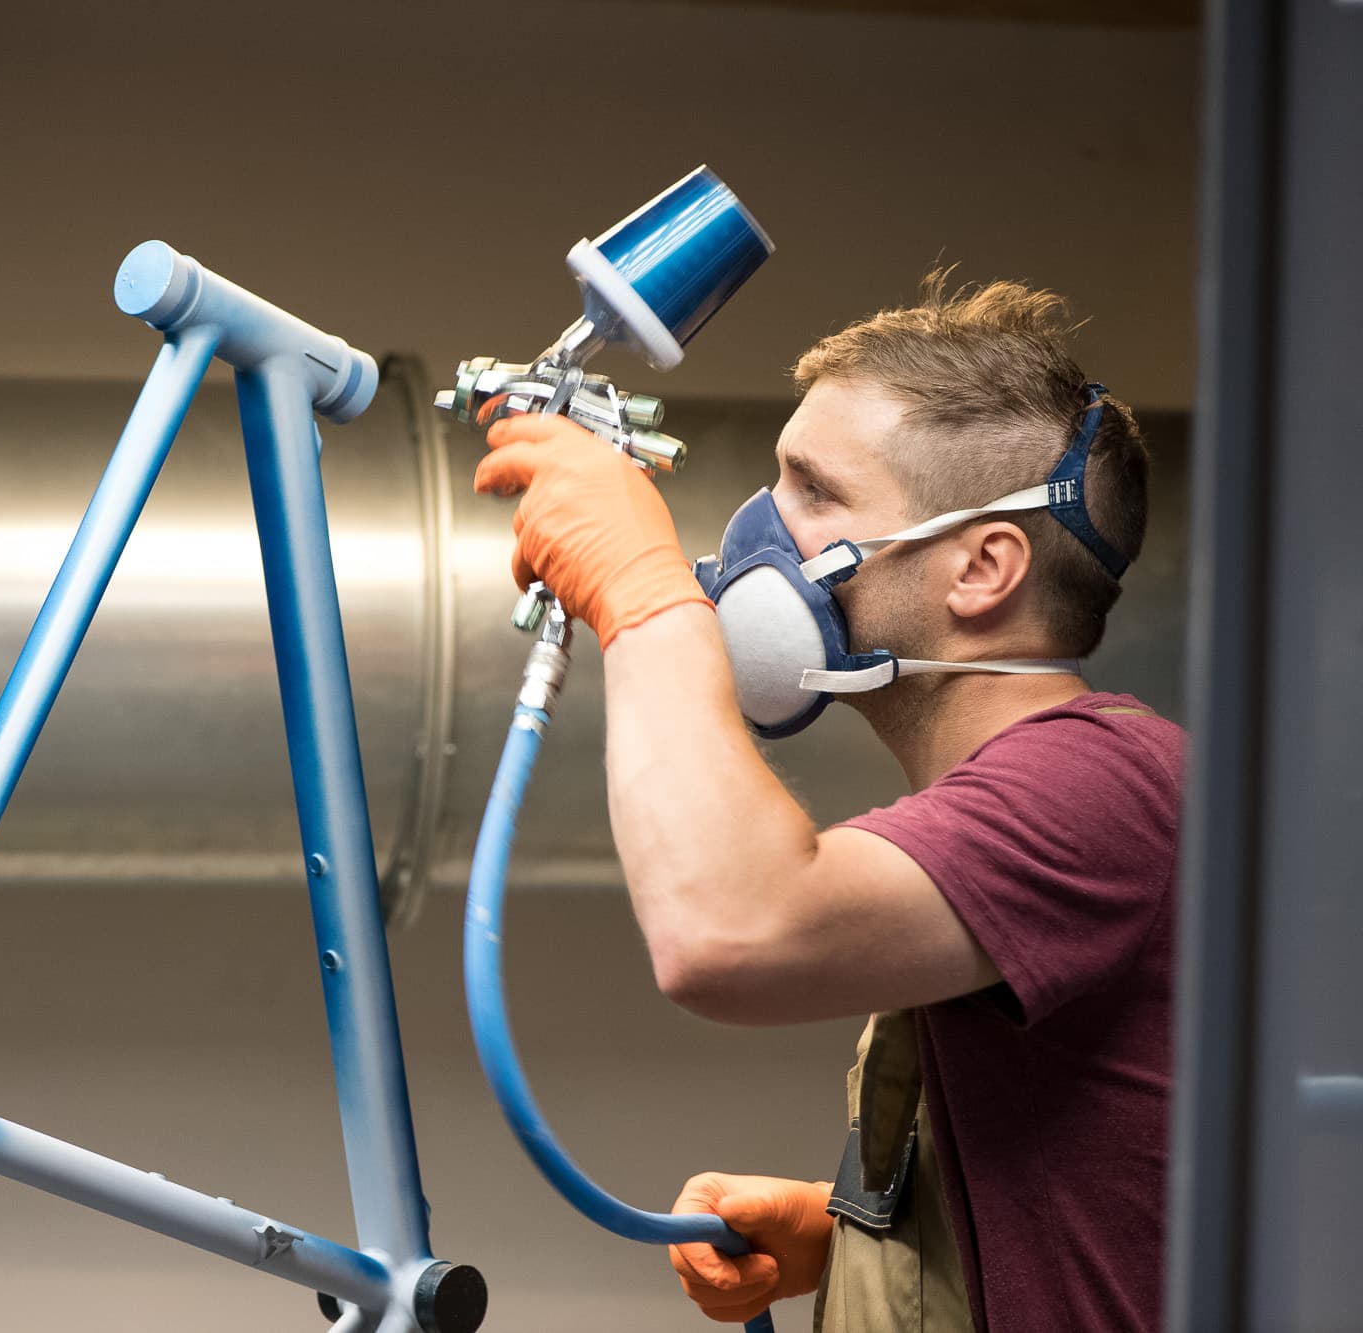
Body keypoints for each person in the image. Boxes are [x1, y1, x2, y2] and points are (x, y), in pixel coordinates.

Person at [472, 273, 1182, 1332]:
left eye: (813, 492)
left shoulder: (1104, 783)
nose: (762, 526)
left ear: (981, 567)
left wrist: (642, 591)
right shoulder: (1025, 802)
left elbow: (730, 931)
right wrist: (854, 1227)